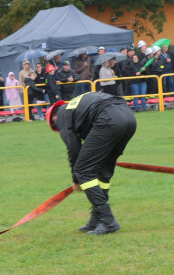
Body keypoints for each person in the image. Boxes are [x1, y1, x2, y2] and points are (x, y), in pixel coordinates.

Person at [46, 91, 137, 236]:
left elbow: (73, 147)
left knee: (83, 171)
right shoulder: (77, 108)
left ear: (53, 118)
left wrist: (76, 179)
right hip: (128, 117)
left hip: (108, 119)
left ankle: (108, 221)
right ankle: (97, 219)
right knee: (104, 171)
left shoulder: (62, 114)